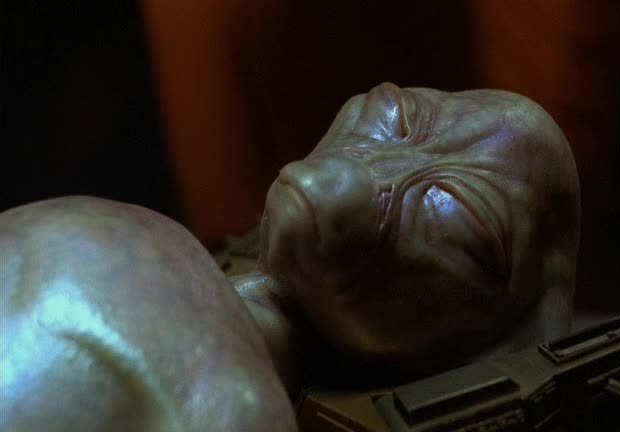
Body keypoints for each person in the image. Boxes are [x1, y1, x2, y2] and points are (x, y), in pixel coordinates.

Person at [0, 84, 580, 431]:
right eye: (401, 113)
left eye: (465, 217)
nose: (351, 176)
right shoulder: (157, 246)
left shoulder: (233, 407)